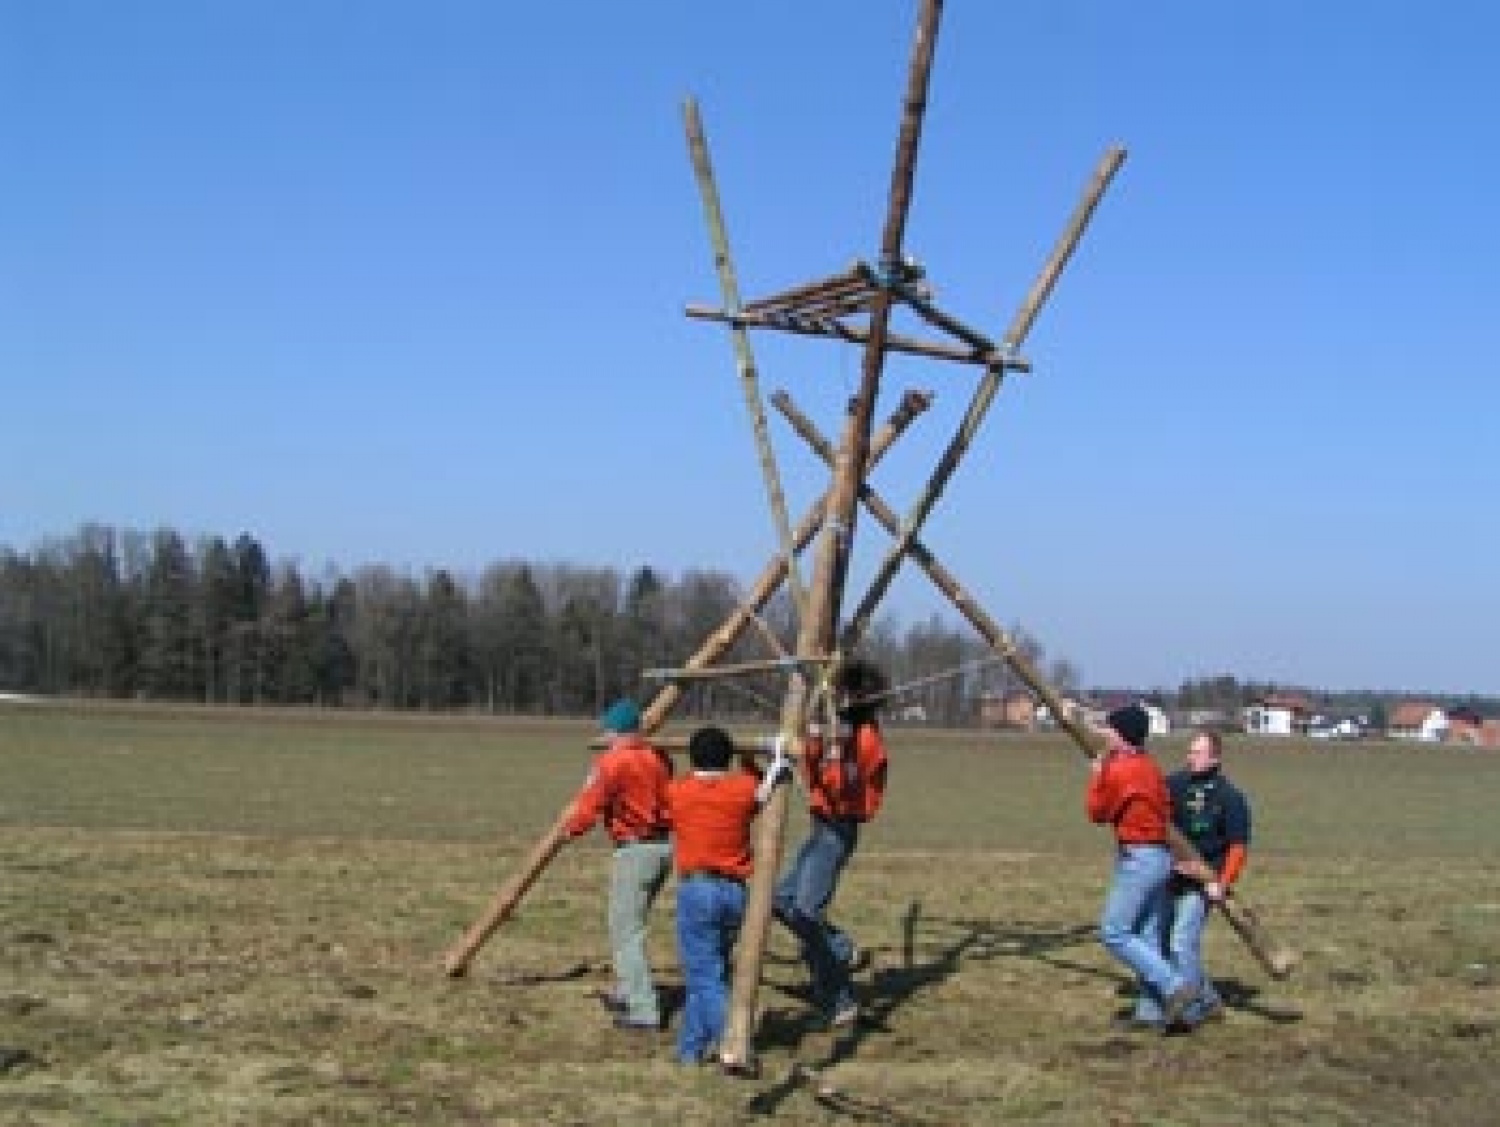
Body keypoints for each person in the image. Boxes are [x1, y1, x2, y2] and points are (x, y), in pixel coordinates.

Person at [773, 657, 889, 1028]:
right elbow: (811, 764)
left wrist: (835, 754)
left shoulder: (867, 741)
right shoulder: (835, 730)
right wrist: (807, 744)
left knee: (806, 913)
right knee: (781, 900)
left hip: (838, 829)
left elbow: (843, 787)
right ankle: (841, 949)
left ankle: (839, 997)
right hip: (821, 826)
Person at [663, 725, 790, 1065]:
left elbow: (662, 789)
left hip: (698, 889)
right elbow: (761, 786)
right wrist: (752, 760)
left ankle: (732, 1042)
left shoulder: (679, 791)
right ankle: (689, 1051)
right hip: (735, 893)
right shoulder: (743, 789)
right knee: (708, 973)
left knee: (703, 975)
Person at [563, 698, 673, 1031]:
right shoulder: (658, 757)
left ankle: (643, 1010)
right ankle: (628, 991)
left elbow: (591, 803)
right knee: (631, 923)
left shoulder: (613, 763)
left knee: (626, 932)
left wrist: (571, 829)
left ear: (615, 729)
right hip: (664, 847)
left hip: (635, 850)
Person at [1086, 702, 1196, 1032]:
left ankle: (1176, 986)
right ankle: (1150, 1013)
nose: (1105, 734)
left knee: (1114, 932)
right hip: (1161, 856)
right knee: (1147, 935)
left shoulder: (1120, 770)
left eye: (1109, 729)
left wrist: (1097, 776)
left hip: (1140, 858)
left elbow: (1097, 813)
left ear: (1121, 735)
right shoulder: (1148, 765)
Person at [1132, 727, 1251, 1029]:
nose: (1190, 757)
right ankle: (1155, 1010)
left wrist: (1221, 884)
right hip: (1168, 877)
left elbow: (1237, 847)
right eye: (1189, 751)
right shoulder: (1173, 785)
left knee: (1182, 944)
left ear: (1214, 758)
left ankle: (1192, 1009)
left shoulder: (1230, 798)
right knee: (1152, 941)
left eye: (1197, 753)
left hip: (1203, 883)